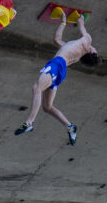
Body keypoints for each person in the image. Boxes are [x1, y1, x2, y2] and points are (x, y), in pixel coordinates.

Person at [15, 14, 100, 146]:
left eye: (96, 51)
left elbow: (80, 23)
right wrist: (63, 22)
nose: (96, 49)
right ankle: (70, 126)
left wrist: (81, 17)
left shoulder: (87, 41)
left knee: (37, 87)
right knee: (47, 107)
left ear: (92, 53)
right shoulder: (75, 54)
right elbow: (57, 40)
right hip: (61, 69)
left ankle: (29, 122)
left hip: (56, 65)